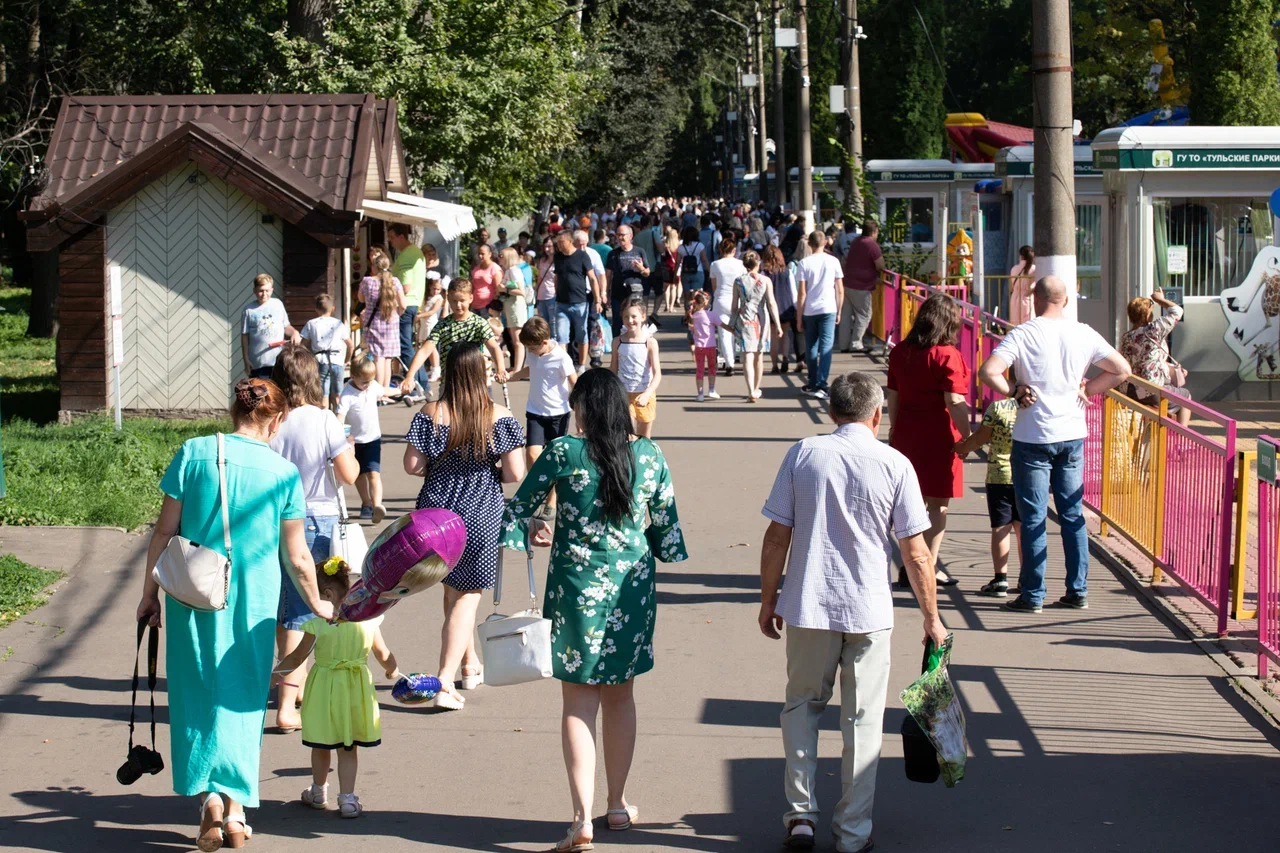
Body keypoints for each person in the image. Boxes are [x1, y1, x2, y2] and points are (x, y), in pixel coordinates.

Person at [137, 378, 330, 852]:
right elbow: (298, 557)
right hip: (253, 603)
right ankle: (238, 809)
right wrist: (321, 603)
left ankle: (208, 800)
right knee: (243, 700)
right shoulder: (283, 474)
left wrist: (149, 595)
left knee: (196, 690)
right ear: (278, 419)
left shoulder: (193, 453)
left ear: (233, 411)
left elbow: (163, 532)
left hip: (192, 597)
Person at [758, 371, 947, 853]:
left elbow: (777, 534)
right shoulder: (895, 464)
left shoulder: (804, 454)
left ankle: (801, 816)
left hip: (808, 603)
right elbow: (917, 553)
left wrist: (768, 598)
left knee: (801, 706)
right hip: (868, 608)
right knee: (862, 721)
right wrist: (932, 617)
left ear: (832, 412)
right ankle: (853, 831)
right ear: (877, 414)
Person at [501, 368, 688, 853]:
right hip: (631, 589)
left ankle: (582, 818)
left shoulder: (564, 452)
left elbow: (518, 511)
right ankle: (619, 803)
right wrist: (637, 542)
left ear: (585, 408)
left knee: (578, 702)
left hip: (573, 589)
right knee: (621, 698)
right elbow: (667, 534)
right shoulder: (648, 455)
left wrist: (537, 528)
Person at [978, 276, 1132, 613]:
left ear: (1034, 299)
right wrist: (1089, 390)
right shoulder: (1084, 332)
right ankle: (1077, 590)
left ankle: (1033, 596)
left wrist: (1013, 391)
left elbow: (989, 371)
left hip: (1032, 436)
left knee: (1032, 518)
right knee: (1073, 515)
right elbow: (1121, 369)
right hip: (1072, 434)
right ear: (1066, 300)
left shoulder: (1023, 333)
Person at [403, 344, 527, 710]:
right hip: (479, 510)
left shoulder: (431, 412)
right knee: (468, 595)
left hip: (435, 514)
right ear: (479, 373)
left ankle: (470, 664)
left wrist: (439, 469)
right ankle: (444, 680)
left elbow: (412, 465)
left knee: (453, 590)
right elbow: (515, 472)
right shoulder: (499, 416)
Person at [269, 344, 359, 732]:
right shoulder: (324, 420)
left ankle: (293, 683)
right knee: (305, 612)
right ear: (312, 379)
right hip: (314, 520)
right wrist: (349, 445)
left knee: (284, 607)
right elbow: (349, 475)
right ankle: (287, 704)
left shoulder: (271, 419)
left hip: (272, 519)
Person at [272, 557, 398, 819]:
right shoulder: (368, 620)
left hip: (324, 688)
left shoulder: (318, 624)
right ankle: (348, 799)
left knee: (321, 744)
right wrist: (392, 670)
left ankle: (318, 791)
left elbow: (297, 657)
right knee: (348, 746)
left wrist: (276, 675)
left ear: (327, 594)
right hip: (355, 688)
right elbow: (383, 653)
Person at [886, 292, 972, 587]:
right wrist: (969, 436)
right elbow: (954, 399)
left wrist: (894, 429)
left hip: (907, 433)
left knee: (910, 505)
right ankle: (927, 566)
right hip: (939, 436)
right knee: (938, 506)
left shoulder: (900, 351)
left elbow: (893, 396)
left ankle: (908, 563)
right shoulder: (947, 354)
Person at [508, 316, 578, 525]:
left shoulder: (561, 357)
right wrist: (512, 375)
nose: (529, 351)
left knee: (555, 458)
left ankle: (552, 500)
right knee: (532, 453)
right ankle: (540, 489)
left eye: (531, 348)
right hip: (535, 410)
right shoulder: (534, 353)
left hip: (558, 413)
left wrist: (581, 408)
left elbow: (574, 382)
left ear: (545, 343)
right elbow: (531, 369)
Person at [954, 397, 1023, 597]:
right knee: (1024, 528)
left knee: (1001, 527)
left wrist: (961, 448)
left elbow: (980, 438)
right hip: (1029, 475)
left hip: (999, 475)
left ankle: (1000, 579)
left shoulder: (999, 407)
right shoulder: (1039, 407)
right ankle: (1027, 578)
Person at [401, 280, 509, 393]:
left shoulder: (479, 323)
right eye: (454, 301)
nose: (458, 305)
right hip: (449, 385)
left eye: (462, 300)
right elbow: (424, 351)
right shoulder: (443, 325)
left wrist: (500, 369)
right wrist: (410, 376)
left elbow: (494, 347)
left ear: (471, 298)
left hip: (475, 384)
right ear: (448, 299)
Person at [1119, 289, 1191, 427]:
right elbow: (1177, 311)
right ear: (1147, 315)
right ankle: (1182, 435)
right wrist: (1159, 300)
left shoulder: (1126, 337)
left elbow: (1140, 361)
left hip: (1129, 390)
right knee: (1186, 396)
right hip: (1150, 391)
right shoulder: (1153, 330)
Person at [795, 231, 844, 400]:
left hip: (810, 309)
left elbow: (801, 293)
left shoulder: (804, 263)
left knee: (811, 348)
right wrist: (839, 310)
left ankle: (813, 382)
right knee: (826, 347)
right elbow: (839, 289)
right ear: (825, 243)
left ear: (809, 243)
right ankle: (822, 384)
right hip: (829, 308)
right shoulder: (833, 261)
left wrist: (799, 317)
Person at [727, 250, 782, 402]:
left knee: (747, 356)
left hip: (744, 319)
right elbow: (771, 303)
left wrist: (732, 323)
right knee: (759, 355)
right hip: (761, 320)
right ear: (758, 263)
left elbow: (734, 305)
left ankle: (750, 389)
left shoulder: (738, 281)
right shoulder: (765, 281)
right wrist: (777, 324)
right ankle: (756, 388)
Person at [337, 356, 386, 523]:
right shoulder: (347, 395)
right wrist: (338, 434)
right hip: (355, 442)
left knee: (373, 473)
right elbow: (340, 417)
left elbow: (384, 391)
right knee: (358, 475)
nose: (368, 385)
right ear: (353, 377)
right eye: (364, 382)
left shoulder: (372, 386)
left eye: (371, 381)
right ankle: (366, 503)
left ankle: (377, 505)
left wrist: (402, 389)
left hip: (373, 439)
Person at [611, 297, 663, 438]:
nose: (630, 320)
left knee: (644, 437)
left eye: (634, 316)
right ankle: (627, 459)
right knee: (627, 434)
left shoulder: (650, 342)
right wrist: (612, 391)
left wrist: (647, 394)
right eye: (626, 317)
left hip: (645, 394)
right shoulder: (617, 342)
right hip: (624, 394)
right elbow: (613, 370)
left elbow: (657, 374)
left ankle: (642, 459)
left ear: (643, 317)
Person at [553, 232, 603, 370]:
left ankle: (581, 365)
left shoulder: (582, 256)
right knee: (562, 337)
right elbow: (556, 277)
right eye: (557, 243)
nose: (558, 245)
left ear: (569, 241)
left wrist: (598, 300)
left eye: (560, 242)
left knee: (581, 336)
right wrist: (556, 294)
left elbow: (593, 278)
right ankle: (564, 367)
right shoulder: (557, 257)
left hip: (580, 303)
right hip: (561, 304)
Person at [358, 248, 405, 396]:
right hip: (391, 323)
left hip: (374, 323)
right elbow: (403, 304)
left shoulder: (367, 282)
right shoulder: (395, 282)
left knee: (378, 358)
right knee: (387, 359)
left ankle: (377, 393)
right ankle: (385, 393)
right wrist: (396, 314)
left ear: (374, 266)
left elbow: (360, 299)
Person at [389, 223, 429, 396]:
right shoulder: (415, 252)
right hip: (413, 303)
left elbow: (404, 286)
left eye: (391, 237)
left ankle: (416, 386)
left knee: (405, 347)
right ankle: (422, 384)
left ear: (401, 236)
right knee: (407, 346)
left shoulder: (406, 256)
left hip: (405, 303)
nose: (390, 242)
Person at [241, 273, 300, 379]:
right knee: (261, 394)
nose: (264, 294)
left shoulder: (278, 304)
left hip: (278, 362)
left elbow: (286, 327)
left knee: (278, 394)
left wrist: (295, 333)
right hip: (257, 363)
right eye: (261, 291)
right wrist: (246, 359)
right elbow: (244, 336)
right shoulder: (248, 310)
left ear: (272, 290)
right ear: (254, 290)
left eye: (267, 291)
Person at [301, 294, 353, 411]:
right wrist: (347, 360)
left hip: (320, 360)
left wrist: (307, 359)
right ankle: (339, 419)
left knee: (323, 394)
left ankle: (324, 417)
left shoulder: (311, 323)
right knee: (338, 393)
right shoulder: (338, 324)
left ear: (316, 309)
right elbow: (350, 345)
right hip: (337, 360)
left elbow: (302, 344)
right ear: (333, 308)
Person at [839, 221, 883, 355]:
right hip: (862, 286)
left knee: (846, 315)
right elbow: (880, 265)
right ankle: (856, 344)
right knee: (864, 314)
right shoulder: (872, 245)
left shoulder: (856, 242)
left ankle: (843, 344)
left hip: (847, 283)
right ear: (874, 232)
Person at [709, 237, 747, 378]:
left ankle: (729, 364)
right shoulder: (741, 264)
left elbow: (714, 286)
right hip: (737, 301)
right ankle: (742, 359)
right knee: (740, 331)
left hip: (720, 300)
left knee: (724, 334)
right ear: (734, 250)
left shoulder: (715, 265)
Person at [606, 224, 651, 337]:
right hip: (617, 293)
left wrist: (641, 269)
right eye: (618, 235)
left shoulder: (639, 251)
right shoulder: (613, 254)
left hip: (635, 294)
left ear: (630, 236)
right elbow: (608, 275)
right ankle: (617, 347)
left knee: (635, 320)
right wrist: (606, 294)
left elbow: (647, 273)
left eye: (623, 235)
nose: (620, 238)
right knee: (618, 321)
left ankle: (636, 343)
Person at [765, 244, 800, 375]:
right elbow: (793, 291)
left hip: (771, 307)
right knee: (785, 335)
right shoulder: (787, 271)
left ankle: (774, 365)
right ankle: (785, 357)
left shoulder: (765, 273)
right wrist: (796, 308)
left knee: (774, 336)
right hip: (786, 306)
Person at [498, 247, 529, 373]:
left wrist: (504, 289)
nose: (499, 258)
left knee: (518, 341)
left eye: (501, 255)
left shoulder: (514, 271)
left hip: (516, 307)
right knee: (515, 340)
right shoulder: (509, 271)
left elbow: (521, 291)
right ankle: (516, 367)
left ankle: (517, 369)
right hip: (511, 307)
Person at [690, 290, 719, 402]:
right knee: (712, 368)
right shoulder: (711, 315)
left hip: (699, 346)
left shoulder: (694, 316)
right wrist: (732, 330)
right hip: (711, 345)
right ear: (706, 303)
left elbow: (692, 328)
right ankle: (711, 390)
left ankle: (700, 394)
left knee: (700, 370)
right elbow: (721, 324)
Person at [676, 225, 710, 299]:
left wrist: (675, 274)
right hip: (698, 271)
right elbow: (704, 260)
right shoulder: (700, 246)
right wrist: (710, 270)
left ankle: (688, 309)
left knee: (686, 295)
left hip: (685, 272)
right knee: (697, 295)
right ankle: (695, 309)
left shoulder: (681, 247)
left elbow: (677, 262)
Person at [469, 243, 503, 314]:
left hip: (487, 306)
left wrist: (493, 306)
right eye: (479, 254)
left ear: (490, 254)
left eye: (482, 254)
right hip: (474, 305)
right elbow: (472, 286)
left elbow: (498, 289)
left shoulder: (495, 269)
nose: (480, 256)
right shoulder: (476, 269)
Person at [1008, 245, 1036, 326]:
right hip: (1028, 298)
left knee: (1015, 325)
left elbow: (1011, 288)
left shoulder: (1014, 268)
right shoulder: (1034, 269)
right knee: (1028, 325)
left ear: (1021, 256)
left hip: (1015, 298)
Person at [535, 236, 559, 325]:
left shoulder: (559, 260)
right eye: (545, 246)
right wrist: (535, 290)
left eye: (549, 246)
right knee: (542, 323)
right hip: (541, 295)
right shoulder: (542, 260)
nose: (546, 249)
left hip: (553, 295)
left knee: (553, 322)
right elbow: (539, 277)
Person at [659, 226, 682, 313]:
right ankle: (672, 307)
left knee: (666, 288)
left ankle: (667, 306)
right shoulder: (679, 246)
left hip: (666, 267)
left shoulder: (665, 245)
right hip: (676, 268)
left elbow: (662, 256)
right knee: (674, 288)